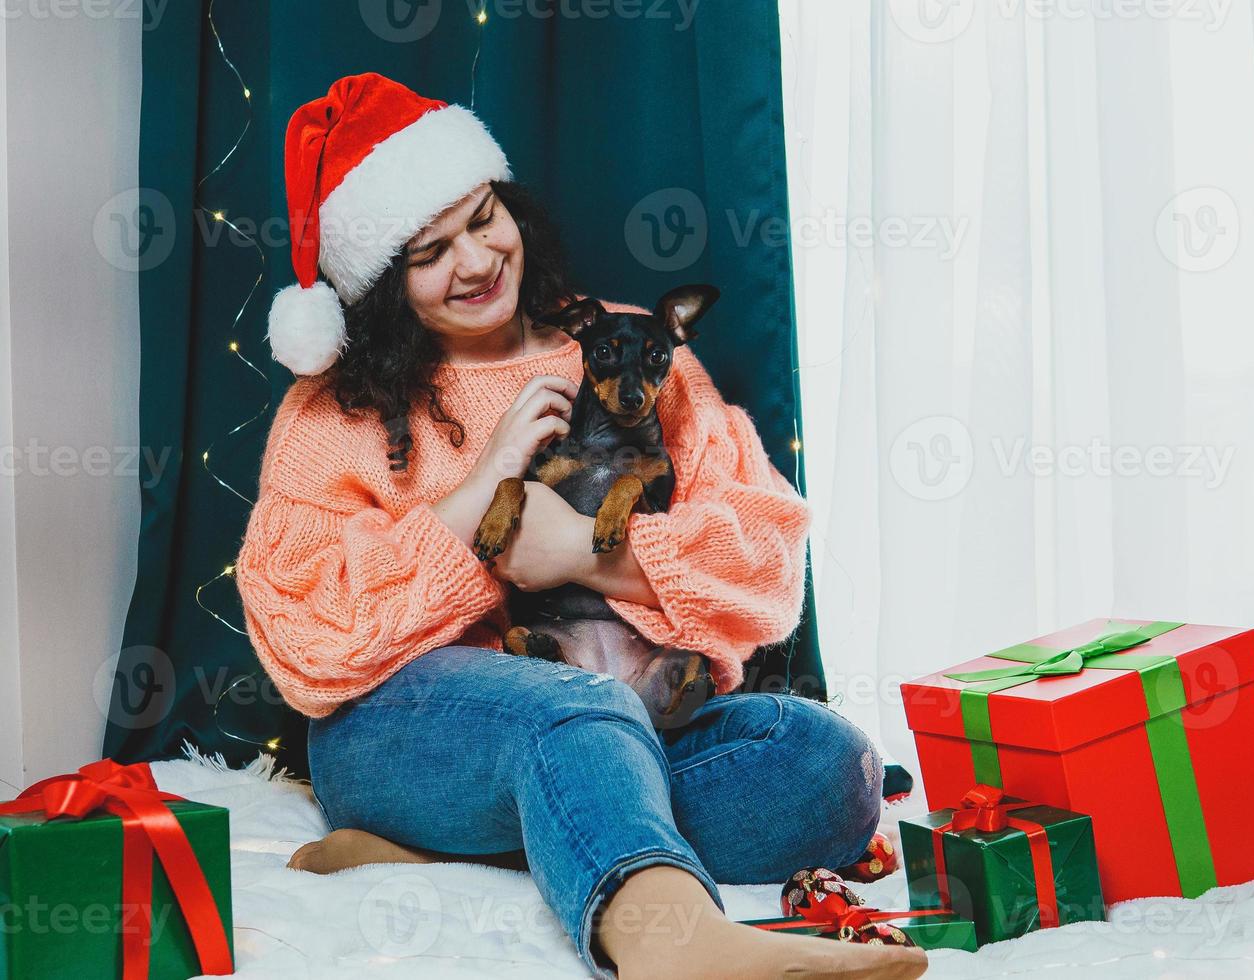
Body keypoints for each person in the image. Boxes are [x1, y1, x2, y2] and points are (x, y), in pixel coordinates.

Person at [233, 72, 927, 980]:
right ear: (378, 287)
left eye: (485, 218)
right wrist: (483, 494)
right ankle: (675, 945)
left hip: (630, 714)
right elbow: (304, 639)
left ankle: (480, 850)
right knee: (577, 705)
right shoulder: (336, 413)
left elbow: (766, 560)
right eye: (430, 252)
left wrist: (597, 559)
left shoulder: (630, 348)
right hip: (406, 739)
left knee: (826, 759)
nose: (477, 261)